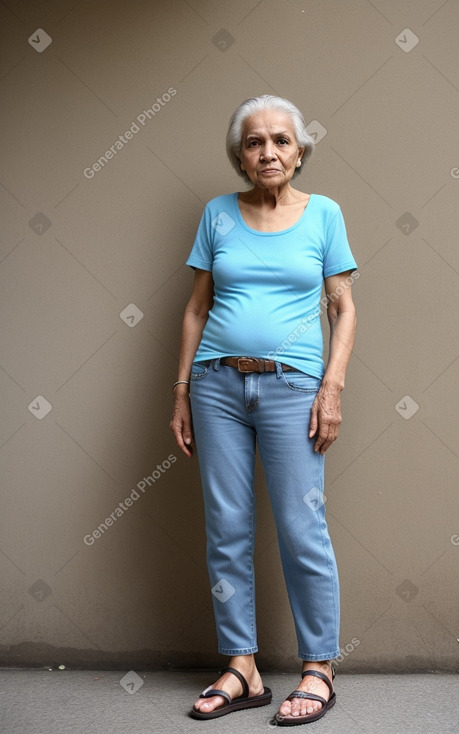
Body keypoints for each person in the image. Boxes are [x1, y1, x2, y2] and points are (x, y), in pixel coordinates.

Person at [169, 94, 357, 726]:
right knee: (226, 528)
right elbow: (197, 308)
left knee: (302, 527)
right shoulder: (217, 215)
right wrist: (180, 392)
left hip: (293, 387)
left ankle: (319, 668)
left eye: (280, 140)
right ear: (240, 155)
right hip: (216, 386)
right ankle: (242, 665)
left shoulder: (324, 214)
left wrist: (330, 388)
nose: (268, 151)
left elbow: (344, 308)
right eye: (254, 142)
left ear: (300, 151)